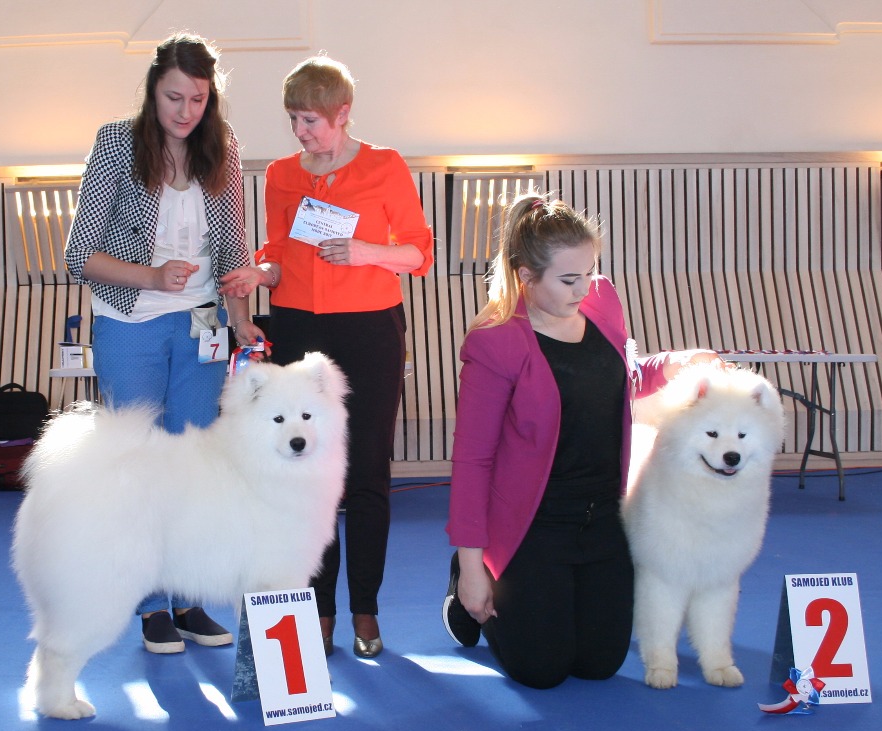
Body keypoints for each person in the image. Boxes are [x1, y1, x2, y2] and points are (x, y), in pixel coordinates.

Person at [442, 193, 718, 689]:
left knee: (598, 663)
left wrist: (673, 364)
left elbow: (618, 378)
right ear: (526, 277)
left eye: (590, 272)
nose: (584, 287)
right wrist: (470, 564)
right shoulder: (494, 342)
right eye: (569, 279)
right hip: (535, 525)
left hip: (603, 517)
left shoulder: (601, 302)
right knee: (542, 671)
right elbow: (472, 461)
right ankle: (472, 583)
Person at [220, 55, 433, 658]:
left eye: (310, 120)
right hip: (297, 328)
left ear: (343, 114)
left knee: (365, 472)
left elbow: (419, 253)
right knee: (308, 476)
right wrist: (258, 274)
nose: (300, 132)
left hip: (369, 330)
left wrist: (367, 251)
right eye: (293, 119)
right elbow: (278, 251)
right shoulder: (281, 174)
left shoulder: (385, 165)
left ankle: (365, 609)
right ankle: (318, 611)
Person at [64, 32, 266, 654]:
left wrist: (241, 319)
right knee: (140, 466)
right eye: (174, 97)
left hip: (202, 320)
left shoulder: (223, 148)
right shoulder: (115, 144)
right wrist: (150, 277)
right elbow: (78, 255)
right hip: (130, 320)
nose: (185, 111)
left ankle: (188, 597)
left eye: (198, 99)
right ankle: (150, 605)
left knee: (195, 465)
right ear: (153, 90)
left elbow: (232, 246)